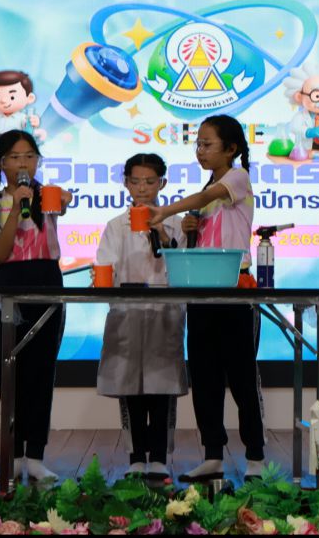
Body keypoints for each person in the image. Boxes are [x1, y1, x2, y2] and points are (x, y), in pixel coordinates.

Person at [147, 114, 266, 482]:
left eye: (207, 144)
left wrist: (166, 210)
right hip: (201, 290)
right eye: (197, 144)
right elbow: (203, 237)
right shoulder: (209, 188)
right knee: (205, 377)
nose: (200, 150)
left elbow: (206, 198)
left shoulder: (237, 178)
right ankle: (213, 454)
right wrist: (190, 229)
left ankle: (256, 458)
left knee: (242, 378)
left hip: (233, 291)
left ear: (231, 149)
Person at [0, 129, 71, 482]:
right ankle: (14, 454)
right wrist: (16, 207)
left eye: (30, 156)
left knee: (42, 370)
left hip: (47, 280)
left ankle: (36, 456)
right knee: (10, 370)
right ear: (0, 164)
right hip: (11, 282)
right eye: (15, 157)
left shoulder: (46, 196)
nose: (23, 163)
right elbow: (1, 253)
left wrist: (63, 199)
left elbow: (64, 203)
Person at [96, 153, 188, 479]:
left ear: (163, 183)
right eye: (135, 181)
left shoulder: (176, 222)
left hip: (164, 316)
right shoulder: (115, 226)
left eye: (150, 182)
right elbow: (105, 266)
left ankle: (160, 456)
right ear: (126, 183)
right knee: (130, 388)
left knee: (163, 388)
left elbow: (183, 268)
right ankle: (135, 457)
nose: (142, 188)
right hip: (128, 316)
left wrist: (161, 232)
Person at [0, 70, 47, 153]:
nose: (3, 101)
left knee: (14, 151)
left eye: (12, 97)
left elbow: (28, 125)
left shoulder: (22, 117)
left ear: (30, 98)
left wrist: (34, 121)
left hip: (14, 138)